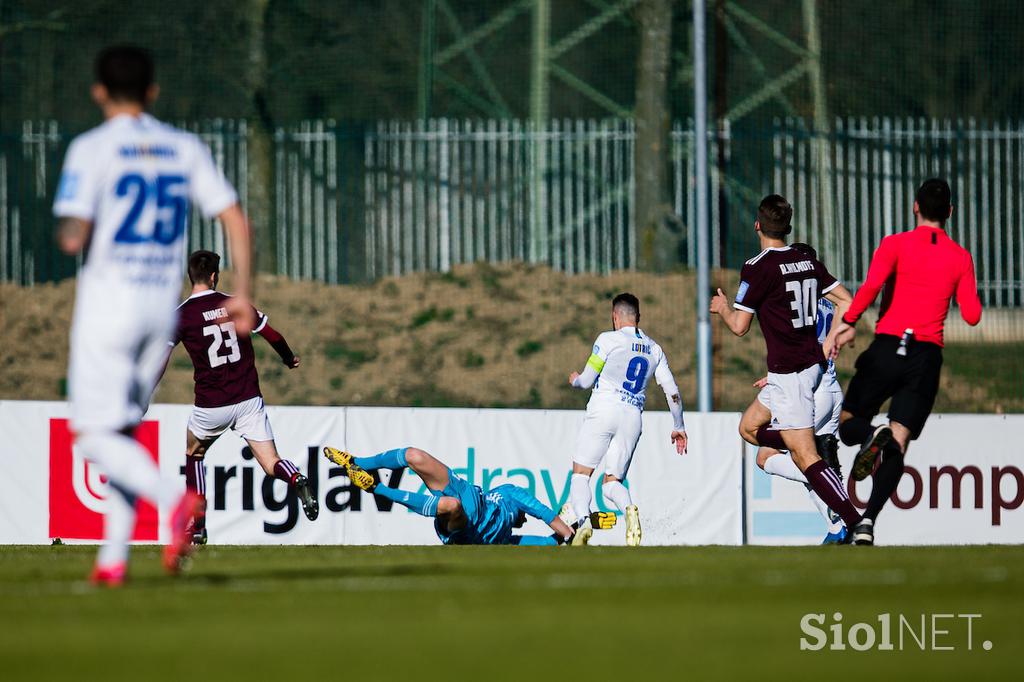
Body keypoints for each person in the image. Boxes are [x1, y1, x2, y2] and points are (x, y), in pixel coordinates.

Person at [53, 46, 253, 585]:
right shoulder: (182, 147)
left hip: (109, 307)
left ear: (99, 91)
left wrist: (76, 229)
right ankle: (112, 560)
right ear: (153, 92)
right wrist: (244, 294)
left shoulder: (90, 149)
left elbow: (73, 235)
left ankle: (176, 500)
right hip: (159, 311)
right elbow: (234, 216)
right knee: (122, 433)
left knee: (93, 437)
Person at [828, 178, 982, 545]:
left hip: (887, 346)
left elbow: (870, 288)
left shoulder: (894, 244)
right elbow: (973, 315)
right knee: (899, 442)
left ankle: (869, 435)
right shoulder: (960, 257)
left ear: (915, 207)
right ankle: (868, 522)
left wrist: (846, 326)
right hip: (925, 357)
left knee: (849, 422)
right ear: (950, 212)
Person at [710, 194, 862, 537]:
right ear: (788, 228)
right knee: (749, 428)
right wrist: (829, 342)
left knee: (804, 456)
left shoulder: (758, 266)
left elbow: (739, 326)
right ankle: (810, 453)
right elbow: (847, 301)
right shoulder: (805, 261)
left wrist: (721, 307)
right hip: (804, 371)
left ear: (757, 226)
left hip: (791, 373)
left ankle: (853, 519)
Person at [166, 250, 318, 545]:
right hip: (248, 399)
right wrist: (289, 359)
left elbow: (161, 357)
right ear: (214, 276)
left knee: (194, 455)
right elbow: (272, 334)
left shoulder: (181, 316)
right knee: (271, 461)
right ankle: (294, 476)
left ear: (190, 277)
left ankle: (198, 526)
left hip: (211, 405)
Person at [566, 293, 687, 547]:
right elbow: (672, 391)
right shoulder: (655, 349)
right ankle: (630, 510)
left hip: (603, 410)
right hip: (632, 418)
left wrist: (575, 379)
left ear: (615, 316)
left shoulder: (607, 339)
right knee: (612, 484)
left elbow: (586, 381)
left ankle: (584, 522)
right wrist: (678, 426)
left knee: (580, 476)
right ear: (638, 318)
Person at [750, 243, 845, 544]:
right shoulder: (828, 304)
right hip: (830, 387)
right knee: (811, 456)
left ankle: (836, 501)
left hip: (809, 390)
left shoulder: (800, 307)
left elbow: (797, 344)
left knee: (767, 456)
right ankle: (835, 528)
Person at [323, 447, 587, 546]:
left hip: (463, 527)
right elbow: (542, 512)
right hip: (462, 488)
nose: (524, 521)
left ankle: (375, 488)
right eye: (524, 519)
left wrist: (570, 535)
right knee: (414, 455)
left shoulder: (510, 541)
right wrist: (567, 531)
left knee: (453, 506)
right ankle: (356, 461)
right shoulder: (508, 493)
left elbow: (547, 543)